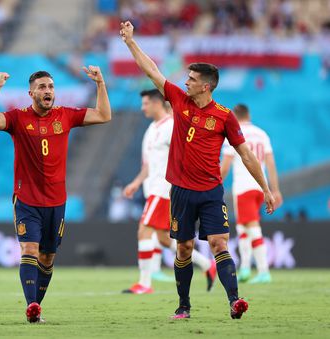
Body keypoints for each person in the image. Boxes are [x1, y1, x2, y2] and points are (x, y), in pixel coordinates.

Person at [120, 21, 276, 320]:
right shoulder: (179, 100)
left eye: (191, 79)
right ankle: (184, 305)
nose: (186, 81)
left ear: (206, 85)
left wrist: (266, 188)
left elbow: (245, 154)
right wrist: (130, 43)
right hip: (180, 190)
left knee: (219, 243)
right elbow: (152, 70)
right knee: (184, 249)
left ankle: (235, 300)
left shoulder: (224, 116)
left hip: (211, 191)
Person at [0, 68, 111, 322]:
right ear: (31, 93)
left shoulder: (66, 115)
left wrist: (100, 83)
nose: (48, 91)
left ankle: (35, 308)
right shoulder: (18, 118)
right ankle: (31, 303)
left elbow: (105, 115)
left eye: (50, 86)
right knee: (29, 249)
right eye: (42, 87)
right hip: (26, 199)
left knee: (48, 256)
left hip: (56, 201)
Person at [122, 89, 216, 295]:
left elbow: (187, 155)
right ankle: (208, 265)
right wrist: (136, 182)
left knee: (144, 230)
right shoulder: (151, 129)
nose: (142, 107)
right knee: (164, 239)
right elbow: (148, 164)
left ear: (157, 103)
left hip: (164, 189)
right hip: (152, 188)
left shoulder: (173, 126)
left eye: (145, 103)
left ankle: (145, 283)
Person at [221, 104, 283, 284]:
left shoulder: (234, 133)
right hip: (260, 187)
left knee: (252, 227)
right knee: (243, 228)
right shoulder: (262, 134)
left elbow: (225, 166)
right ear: (248, 115)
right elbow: (270, 163)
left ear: (234, 116)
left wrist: (214, 183)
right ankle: (246, 268)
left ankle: (264, 271)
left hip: (244, 186)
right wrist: (274, 189)